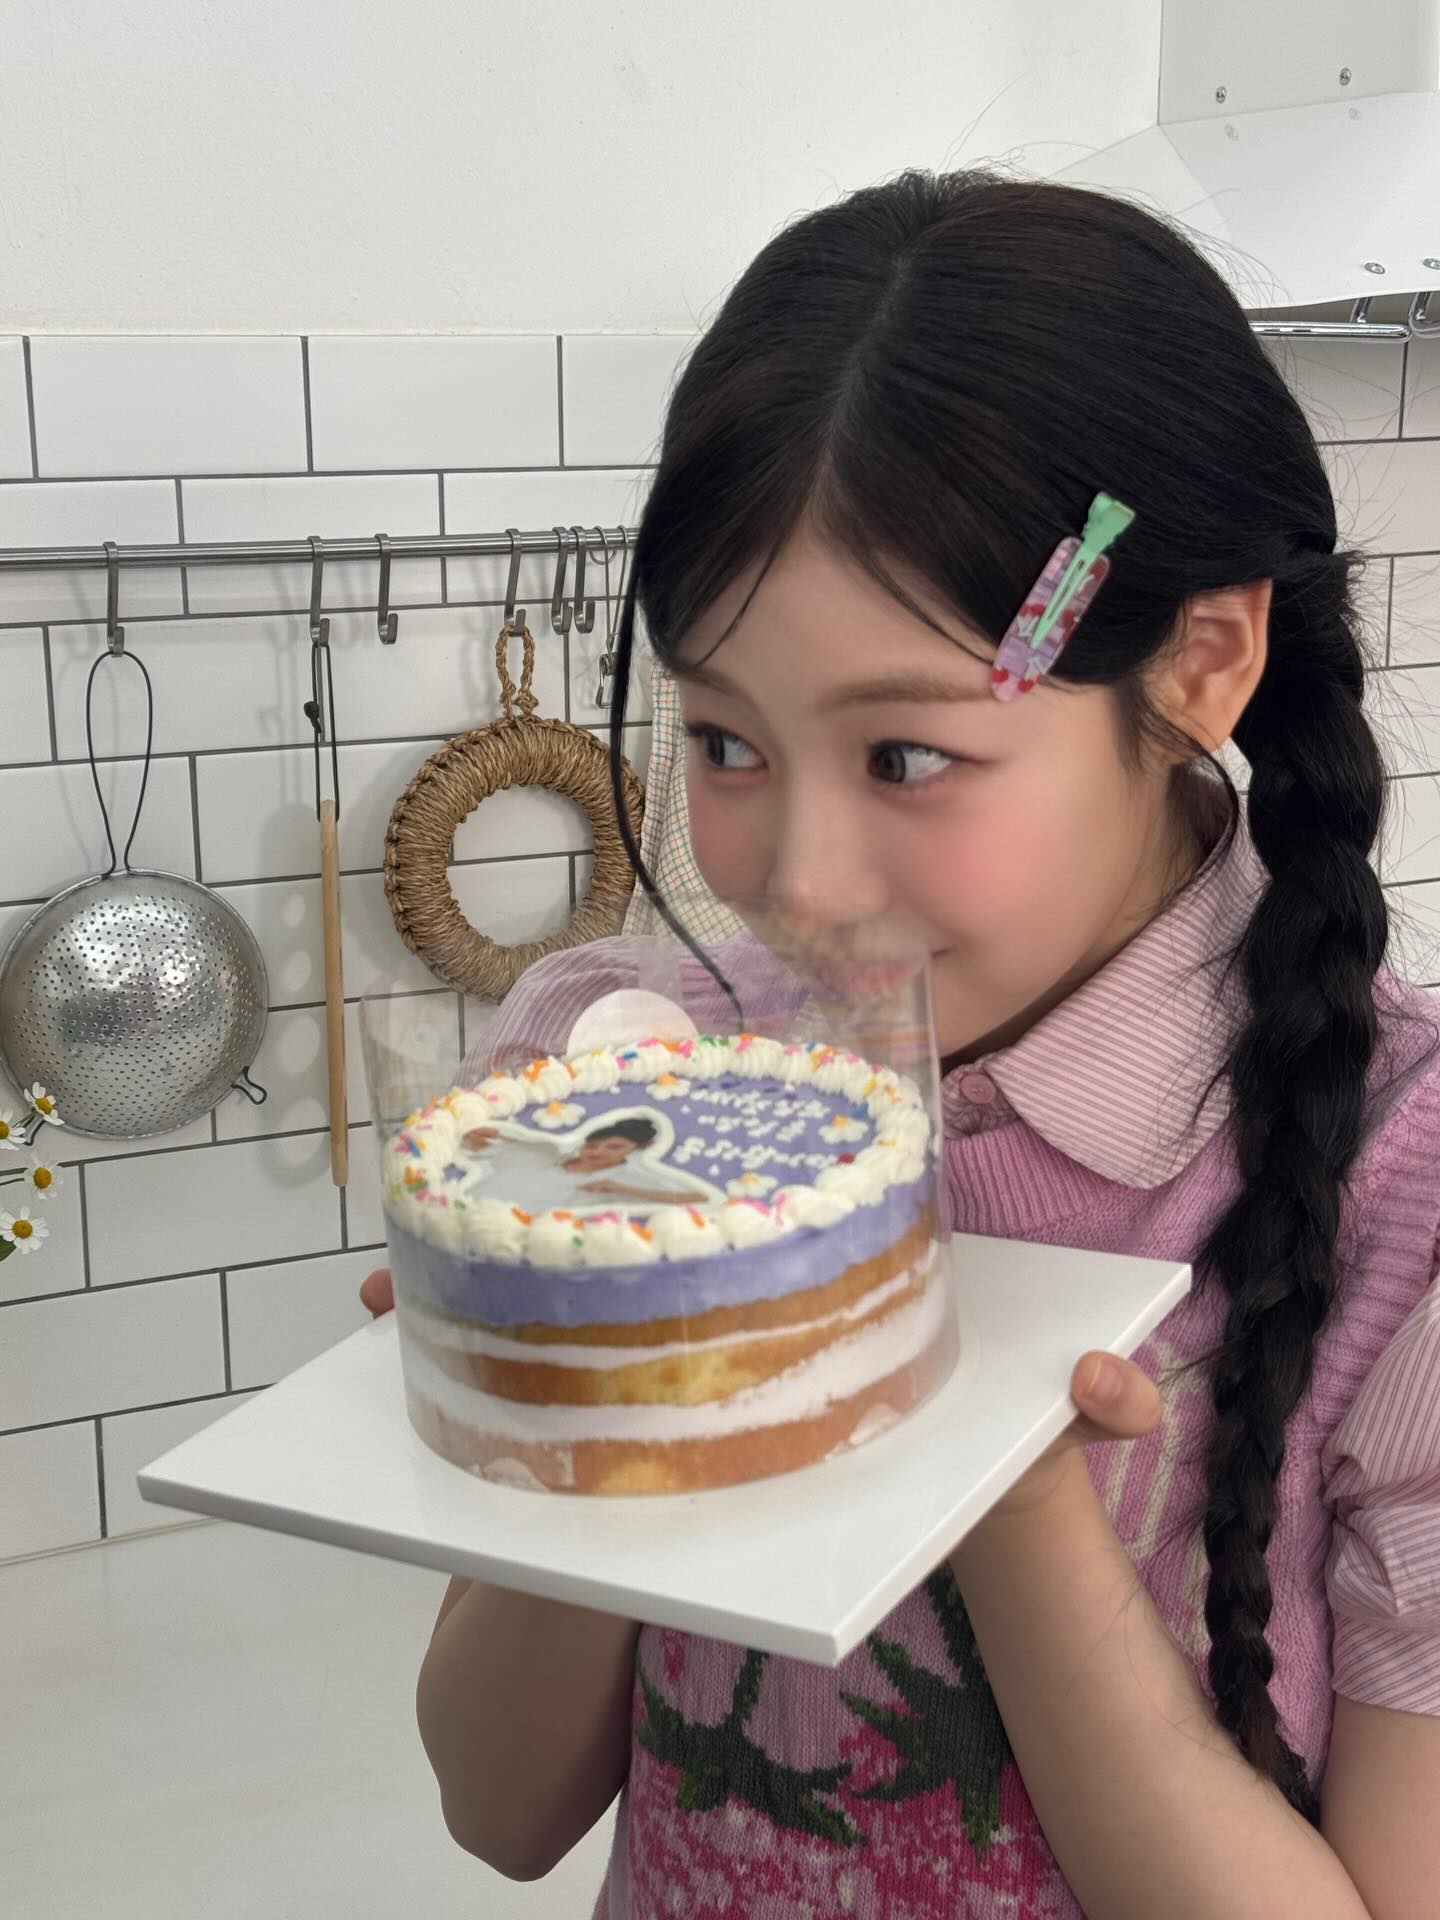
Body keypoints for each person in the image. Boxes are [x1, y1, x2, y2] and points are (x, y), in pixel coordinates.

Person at [359, 167, 1440, 1917]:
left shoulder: (1405, 1194)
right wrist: (577, 1376)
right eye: (726, 742)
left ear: (1198, 664)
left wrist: (999, 1476)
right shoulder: (626, 1069)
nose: (795, 882)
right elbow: (499, 1806)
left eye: (907, 757)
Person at [457, 1114, 721, 1210]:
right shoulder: (542, 1152)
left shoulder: (620, 1181)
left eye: (614, 1147)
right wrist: (473, 1131)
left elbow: (703, 1197)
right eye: (592, 1145)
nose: (597, 1152)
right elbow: (473, 1145)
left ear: (637, 1149)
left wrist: (625, 1190)